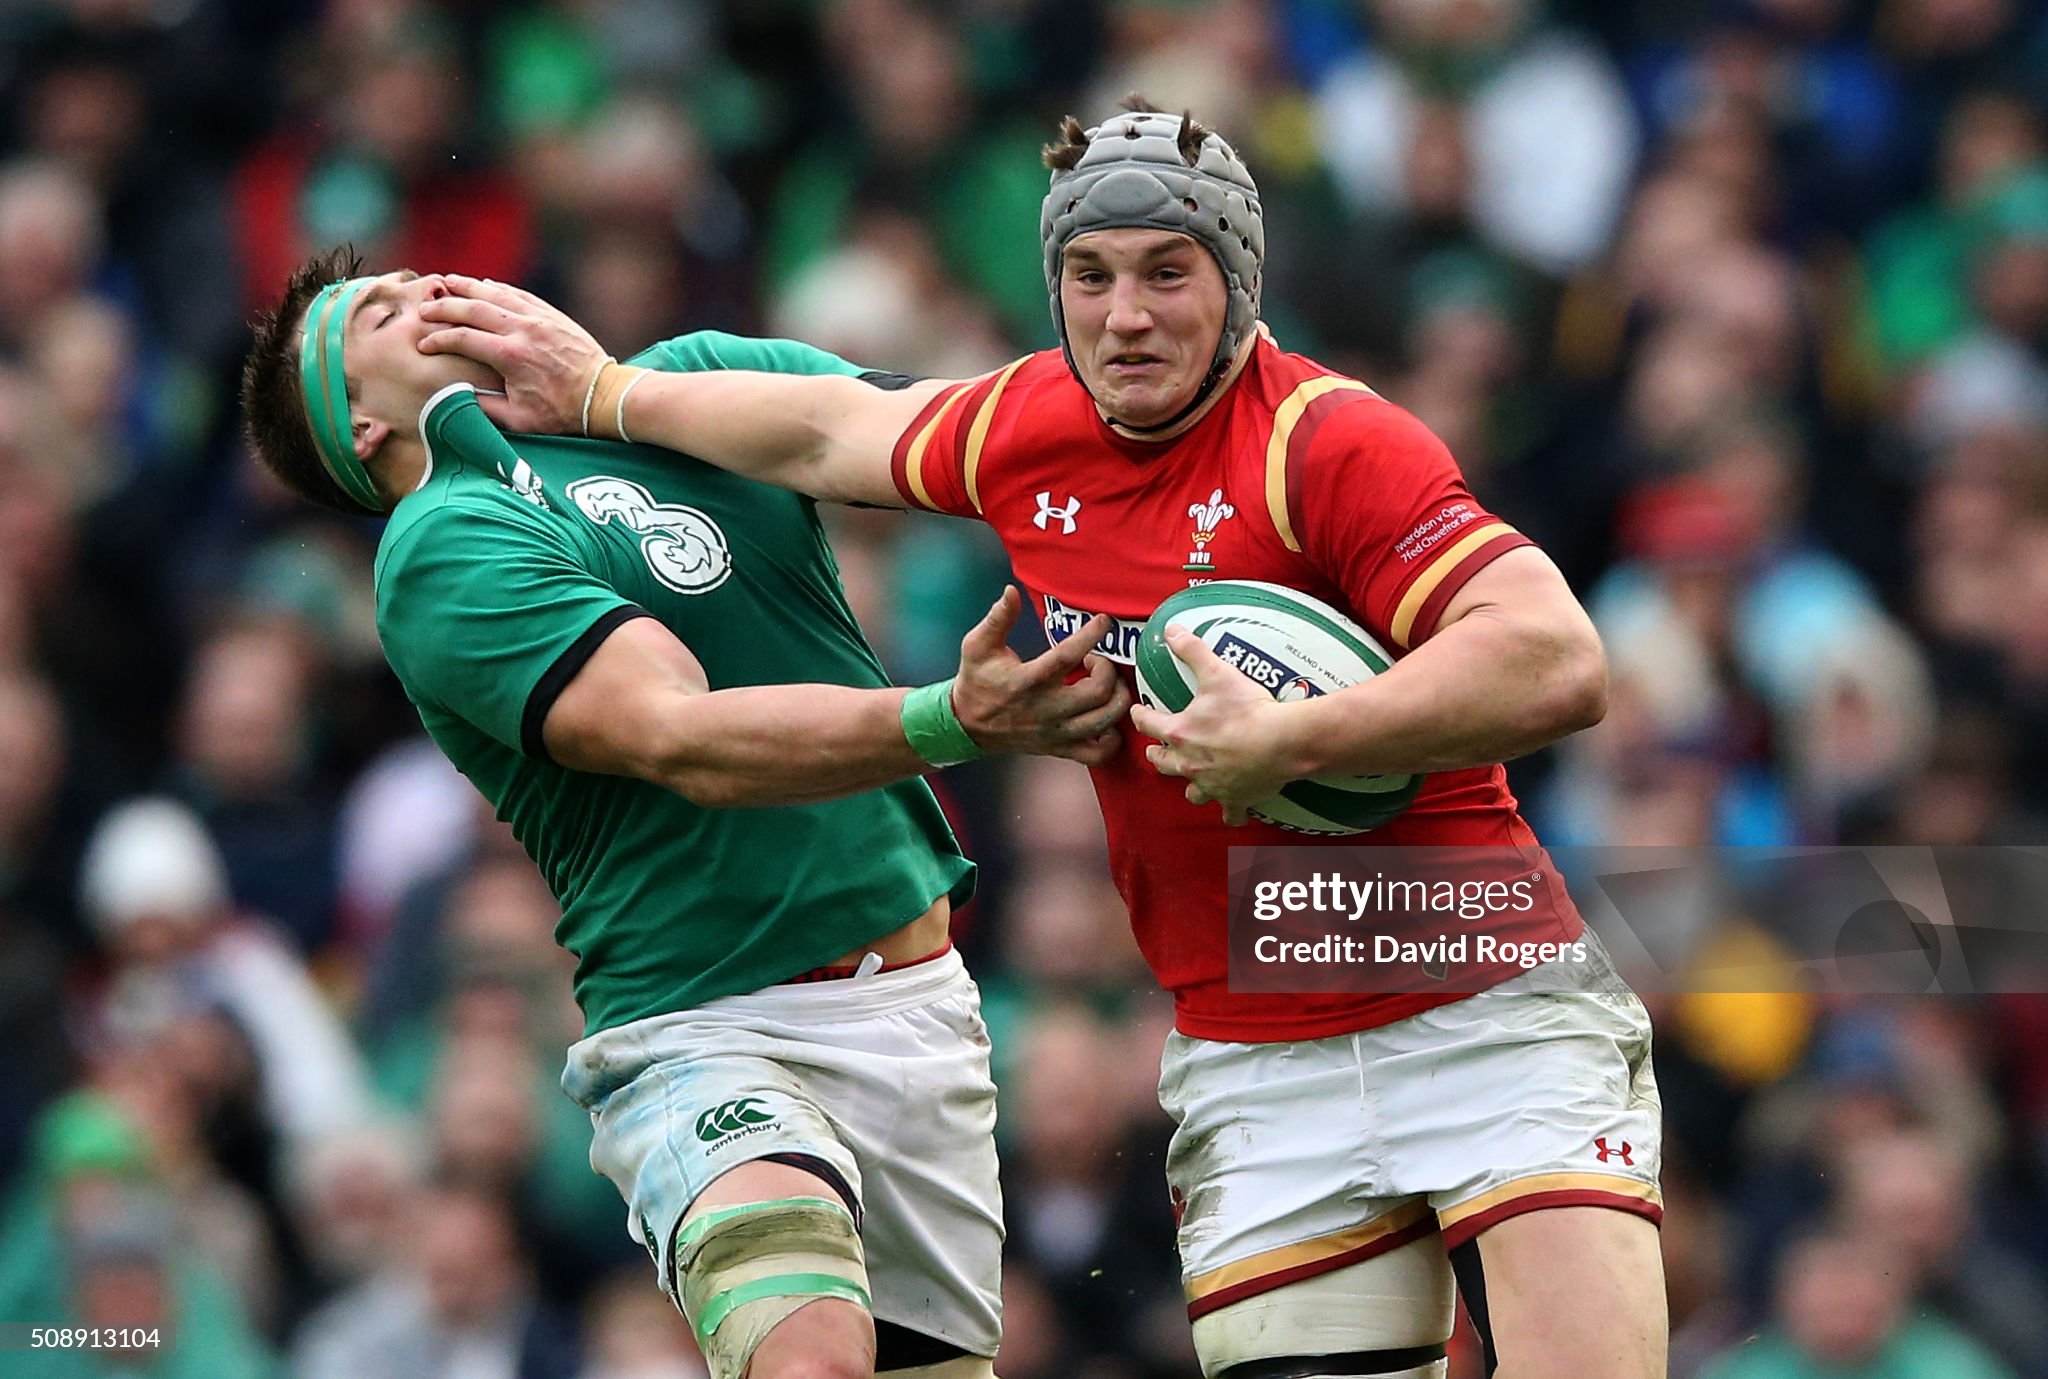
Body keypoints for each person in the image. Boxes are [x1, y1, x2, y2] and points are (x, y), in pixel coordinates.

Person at [419, 101, 1668, 1379]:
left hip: (1473, 981)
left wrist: (1297, 735)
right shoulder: (1030, 422)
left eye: (1165, 272)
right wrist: (602, 390)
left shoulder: (1326, 441)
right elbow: (821, 430)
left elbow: (1556, 658)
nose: (1124, 314)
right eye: (1090, 274)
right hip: (1251, 1042)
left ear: (1237, 282)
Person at [237, 246, 1135, 1379]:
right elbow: (680, 734)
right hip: (707, 1025)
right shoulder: (439, 545)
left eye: (421, 276)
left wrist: (1145, 392)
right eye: (380, 312)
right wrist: (952, 719)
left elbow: (927, 434)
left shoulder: (684, 380)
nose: (428, 292)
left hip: (918, 1010)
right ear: (362, 427)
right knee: (808, 1354)